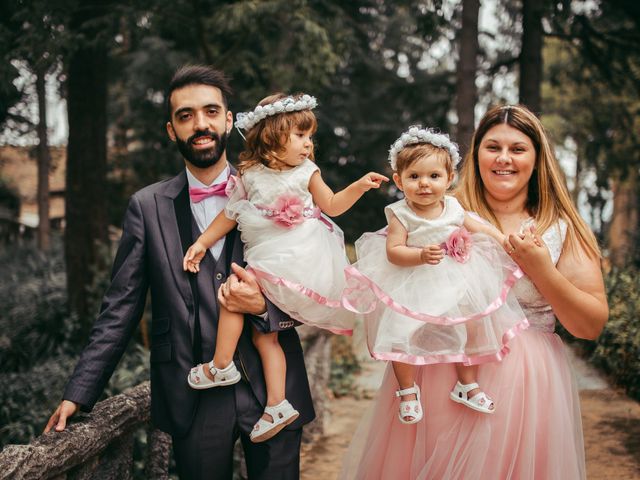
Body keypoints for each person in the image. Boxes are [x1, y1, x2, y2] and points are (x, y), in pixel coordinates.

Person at [44, 65, 316, 480]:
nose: (200, 124)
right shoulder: (146, 207)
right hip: (193, 393)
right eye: (185, 115)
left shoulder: (284, 188)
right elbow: (120, 309)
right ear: (171, 129)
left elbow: (317, 287)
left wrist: (265, 305)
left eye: (210, 111)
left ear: (229, 119)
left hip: (274, 391)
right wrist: (79, 393)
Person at [340, 105, 608, 480]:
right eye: (492, 147)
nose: (503, 159)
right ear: (474, 154)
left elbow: (590, 325)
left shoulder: (561, 227)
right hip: (437, 372)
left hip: (523, 383)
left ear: (537, 158)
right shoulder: (434, 209)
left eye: (517, 149)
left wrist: (541, 268)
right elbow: (389, 277)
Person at [182, 92, 388, 442]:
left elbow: (333, 205)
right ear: (273, 136)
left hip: (297, 259)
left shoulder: (308, 172)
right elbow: (229, 215)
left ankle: (221, 364)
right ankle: (277, 404)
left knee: (232, 295)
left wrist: (358, 186)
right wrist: (202, 243)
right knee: (265, 336)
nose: (309, 144)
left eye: (310, 136)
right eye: (300, 136)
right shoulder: (249, 175)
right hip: (266, 256)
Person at [342, 126, 528, 424]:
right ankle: (407, 390)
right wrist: (419, 255)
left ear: (449, 179)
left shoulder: (453, 206)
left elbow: (479, 227)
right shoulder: (400, 213)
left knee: (471, 324)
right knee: (399, 332)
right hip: (413, 279)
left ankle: (466, 384)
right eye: (414, 177)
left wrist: (503, 239)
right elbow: (394, 251)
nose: (424, 184)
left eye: (434, 176)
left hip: (456, 279)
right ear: (399, 181)